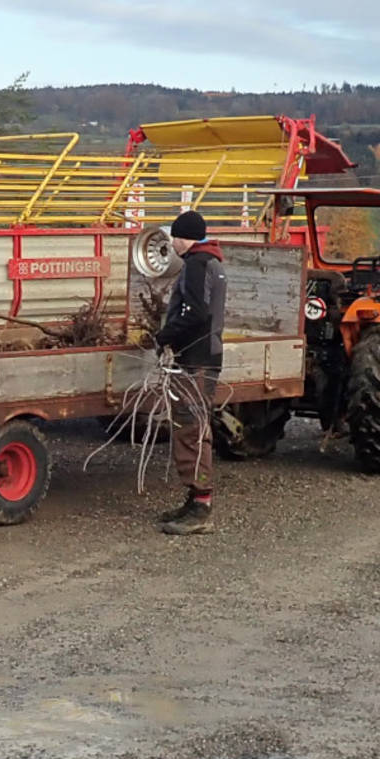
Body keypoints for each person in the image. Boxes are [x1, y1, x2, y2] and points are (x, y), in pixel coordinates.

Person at [155, 210, 226, 536]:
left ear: (185, 238)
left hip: (195, 359)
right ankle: (194, 498)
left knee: (192, 429)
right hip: (206, 356)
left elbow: (195, 312)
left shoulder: (196, 265)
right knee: (195, 426)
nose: (173, 244)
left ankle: (201, 507)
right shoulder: (213, 262)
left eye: (174, 238)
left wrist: (165, 335)